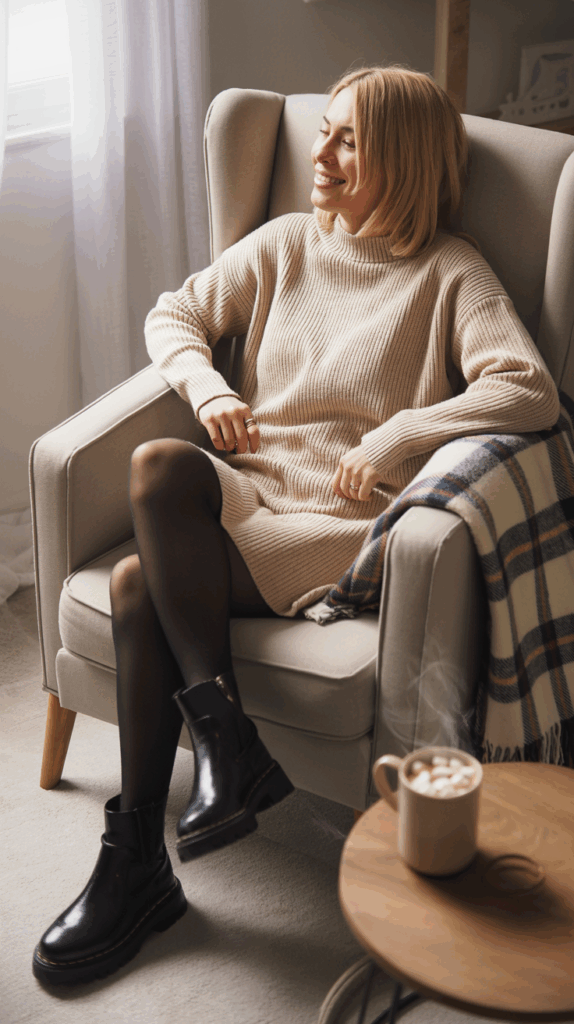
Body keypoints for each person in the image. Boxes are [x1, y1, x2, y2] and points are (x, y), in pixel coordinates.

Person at [33, 64, 560, 986]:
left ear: (398, 155)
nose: (319, 150)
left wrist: (403, 434)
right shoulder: (285, 244)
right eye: (326, 131)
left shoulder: (451, 273)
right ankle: (204, 777)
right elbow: (176, 315)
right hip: (252, 493)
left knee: (138, 554)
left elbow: (528, 389)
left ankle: (151, 850)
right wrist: (208, 387)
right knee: (157, 486)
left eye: (347, 137)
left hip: (339, 525)